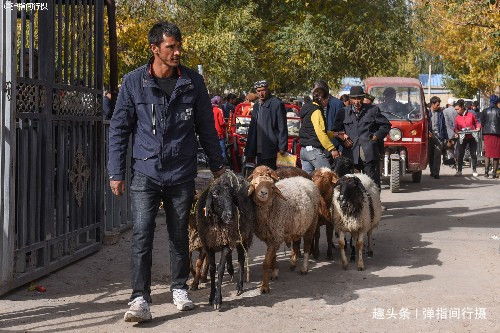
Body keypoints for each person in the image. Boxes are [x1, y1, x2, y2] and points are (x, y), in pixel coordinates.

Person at [108, 22, 225, 323]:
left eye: (178, 45)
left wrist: (218, 166)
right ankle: (139, 298)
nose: (177, 51)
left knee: (178, 234)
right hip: (145, 172)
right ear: (154, 49)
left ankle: (179, 288)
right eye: (171, 46)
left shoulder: (193, 82)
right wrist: (115, 172)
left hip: (181, 171)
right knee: (142, 234)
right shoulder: (134, 82)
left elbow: (206, 129)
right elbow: (119, 130)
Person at [333, 86, 390, 188]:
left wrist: (376, 136)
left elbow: (386, 125)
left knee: (372, 184)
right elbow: (335, 131)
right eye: (354, 98)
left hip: (369, 154)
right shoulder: (343, 112)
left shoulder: (373, 110)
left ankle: (374, 203)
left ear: (363, 98)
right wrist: (343, 138)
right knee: (351, 185)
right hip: (350, 155)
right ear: (350, 99)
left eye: (359, 98)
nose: (357, 101)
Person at [299, 83, 341, 173]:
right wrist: (332, 149)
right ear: (322, 99)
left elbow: (312, 130)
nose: (328, 101)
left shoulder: (308, 108)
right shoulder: (316, 111)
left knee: (308, 182)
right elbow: (320, 133)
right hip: (314, 151)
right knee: (328, 176)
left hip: (304, 151)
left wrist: (334, 134)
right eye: (327, 99)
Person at [245, 80, 288, 169]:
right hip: (257, 149)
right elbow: (252, 128)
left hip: (271, 148)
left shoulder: (277, 104)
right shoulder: (257, 106)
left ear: (268, 90)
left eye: (263, 90)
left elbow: (282, 126)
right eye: (258, 91)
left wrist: (282, 147)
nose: (261, 93)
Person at [453, 99, 481, 177]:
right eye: (455, 109)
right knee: (460, 154)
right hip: (462, 137)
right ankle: (459, 170)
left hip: (472, 137)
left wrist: (478, 127)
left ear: (462, 107)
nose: (456, 111)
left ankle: (474, 169)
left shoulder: (471, 114)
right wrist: (456, 132)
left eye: (457, 109)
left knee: (473, 153)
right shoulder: (457, 117)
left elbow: (477, 122)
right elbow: (455, 127)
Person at [428, 96, 448, 179]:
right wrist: (428, 132)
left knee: (437, 155)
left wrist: (446, 138)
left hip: (439, 137)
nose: (439, 106)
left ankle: (436, 173)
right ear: (432, 104)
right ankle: (432, 171)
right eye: (437, 104)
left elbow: (444, 125)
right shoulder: (427, 112)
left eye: (439, 104)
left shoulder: (441, 113)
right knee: (430, 155)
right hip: (429, 137)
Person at [480, 95, 500, 178]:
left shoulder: (485, 111)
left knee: (487, 154)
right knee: (496, 154)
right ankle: (494, 173)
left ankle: (486, 173)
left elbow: (482, 123)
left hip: (487, 134)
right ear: (497, 102)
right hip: (497, 134)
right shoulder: (499, 111)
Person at [211, 96, 227, 162]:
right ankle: (222, 164)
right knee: (222, 150)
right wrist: (228, 124)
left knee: (213, 149)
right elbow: (221, 123)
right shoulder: (219, 110)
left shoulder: (209, 110)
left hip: (211, 132)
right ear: (218, 102)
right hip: (219, 133)